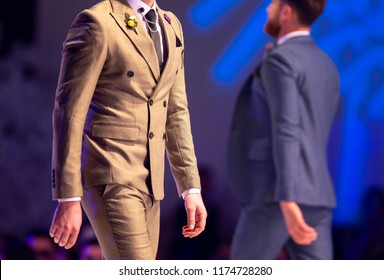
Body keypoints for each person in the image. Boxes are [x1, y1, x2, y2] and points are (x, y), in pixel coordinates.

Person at [49, 0, 207, 260]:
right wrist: (68, 196)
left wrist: (191, 188)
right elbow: (69, 111)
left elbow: (176, 111)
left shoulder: (171, 25)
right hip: (110, 170)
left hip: (151, 181)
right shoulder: (98, 21)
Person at [228, 0, 340, 259]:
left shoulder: (280, 61)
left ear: (287, 11)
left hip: (277, 194)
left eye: (274, 3)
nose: (268, 9)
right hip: (317, 194)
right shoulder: (326, 64)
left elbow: (287, 129)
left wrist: (288, 198)